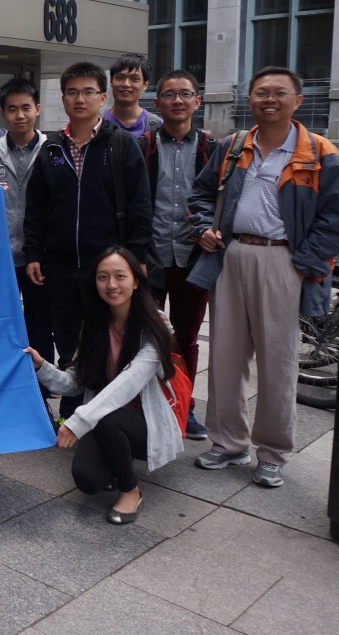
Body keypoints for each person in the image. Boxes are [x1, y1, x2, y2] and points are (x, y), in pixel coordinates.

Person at [188, 66, 339, 488]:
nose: (269, 99)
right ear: (249, 99)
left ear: (298, 101)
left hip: (284, 261)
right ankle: (228, 443)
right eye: (261, 92)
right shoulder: (233, 146)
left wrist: (304, 261)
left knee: (278, 362)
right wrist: (203, 228)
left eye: (279, 93)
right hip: (231, 255)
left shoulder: (320, 153)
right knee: (225, 358)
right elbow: (201, 194)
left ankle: (273, 452)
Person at [24, 61, 152, 426]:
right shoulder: (51, 149)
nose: (80, 99)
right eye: (72, 92)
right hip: (61, 264)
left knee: (106, 337)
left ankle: (107, 413)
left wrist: (136, 258)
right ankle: (72, 411)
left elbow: (141, 206)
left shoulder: (121, 145)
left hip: (107, 266)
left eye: (88, 92)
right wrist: (34, 253)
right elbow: (37, 209)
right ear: (63, 99)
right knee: (68, 340)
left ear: (102, 97)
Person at [26, 246, 184, 525]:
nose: (111, 285)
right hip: (103, 420)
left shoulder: (155, 326)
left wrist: (79, 420)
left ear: (136, 281)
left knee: (108, 418)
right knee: (88, 480)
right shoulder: (94, 325)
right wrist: (41, 367)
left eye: (120, 276)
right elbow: (76, 382)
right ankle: (115, 456)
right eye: (103, 277)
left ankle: (131, 490)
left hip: (145, 424)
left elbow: (128, 382)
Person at [139, 70, 215, 440]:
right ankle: (146, 405)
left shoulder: (213, 149)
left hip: (193, 258)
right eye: (170, 94)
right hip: (150, 258)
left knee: (186, 337)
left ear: (197, 101)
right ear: (157, 103)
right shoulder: (143, 146)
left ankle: (185, 407)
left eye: (185, 94)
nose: (178, 101)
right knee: (146, 335)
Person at [0, 78, 53, 369]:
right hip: (2, 256)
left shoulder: (51, 149)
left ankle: (42, 387)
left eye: (26, 108)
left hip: (40, 256)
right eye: (12, 109)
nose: (20, 115)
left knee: (40, 326)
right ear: (2, 113)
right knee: (0, 325)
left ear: (38, 109)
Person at [102, 53, 162, 137]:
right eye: (120, 77)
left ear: (145, 85)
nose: (126, 84)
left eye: (134, 79)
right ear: (111, 81)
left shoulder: (157, 127)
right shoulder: (95, 121)